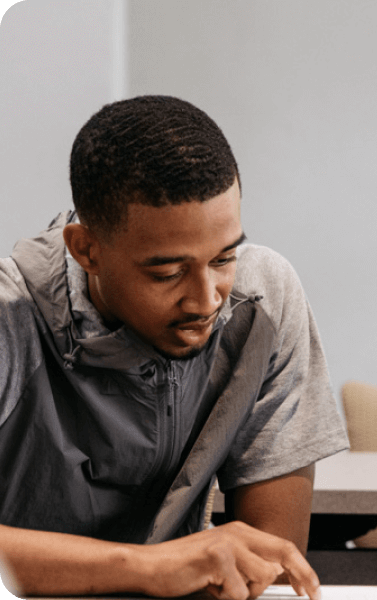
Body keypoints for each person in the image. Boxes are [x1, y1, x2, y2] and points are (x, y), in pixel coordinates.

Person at [0, 96, 350, 599]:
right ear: (86, 249)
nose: (207, 300)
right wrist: (147, 568)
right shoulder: (10, 318)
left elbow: (268, 563)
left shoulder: (262, 302)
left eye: (224, 257)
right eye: (167, 272)